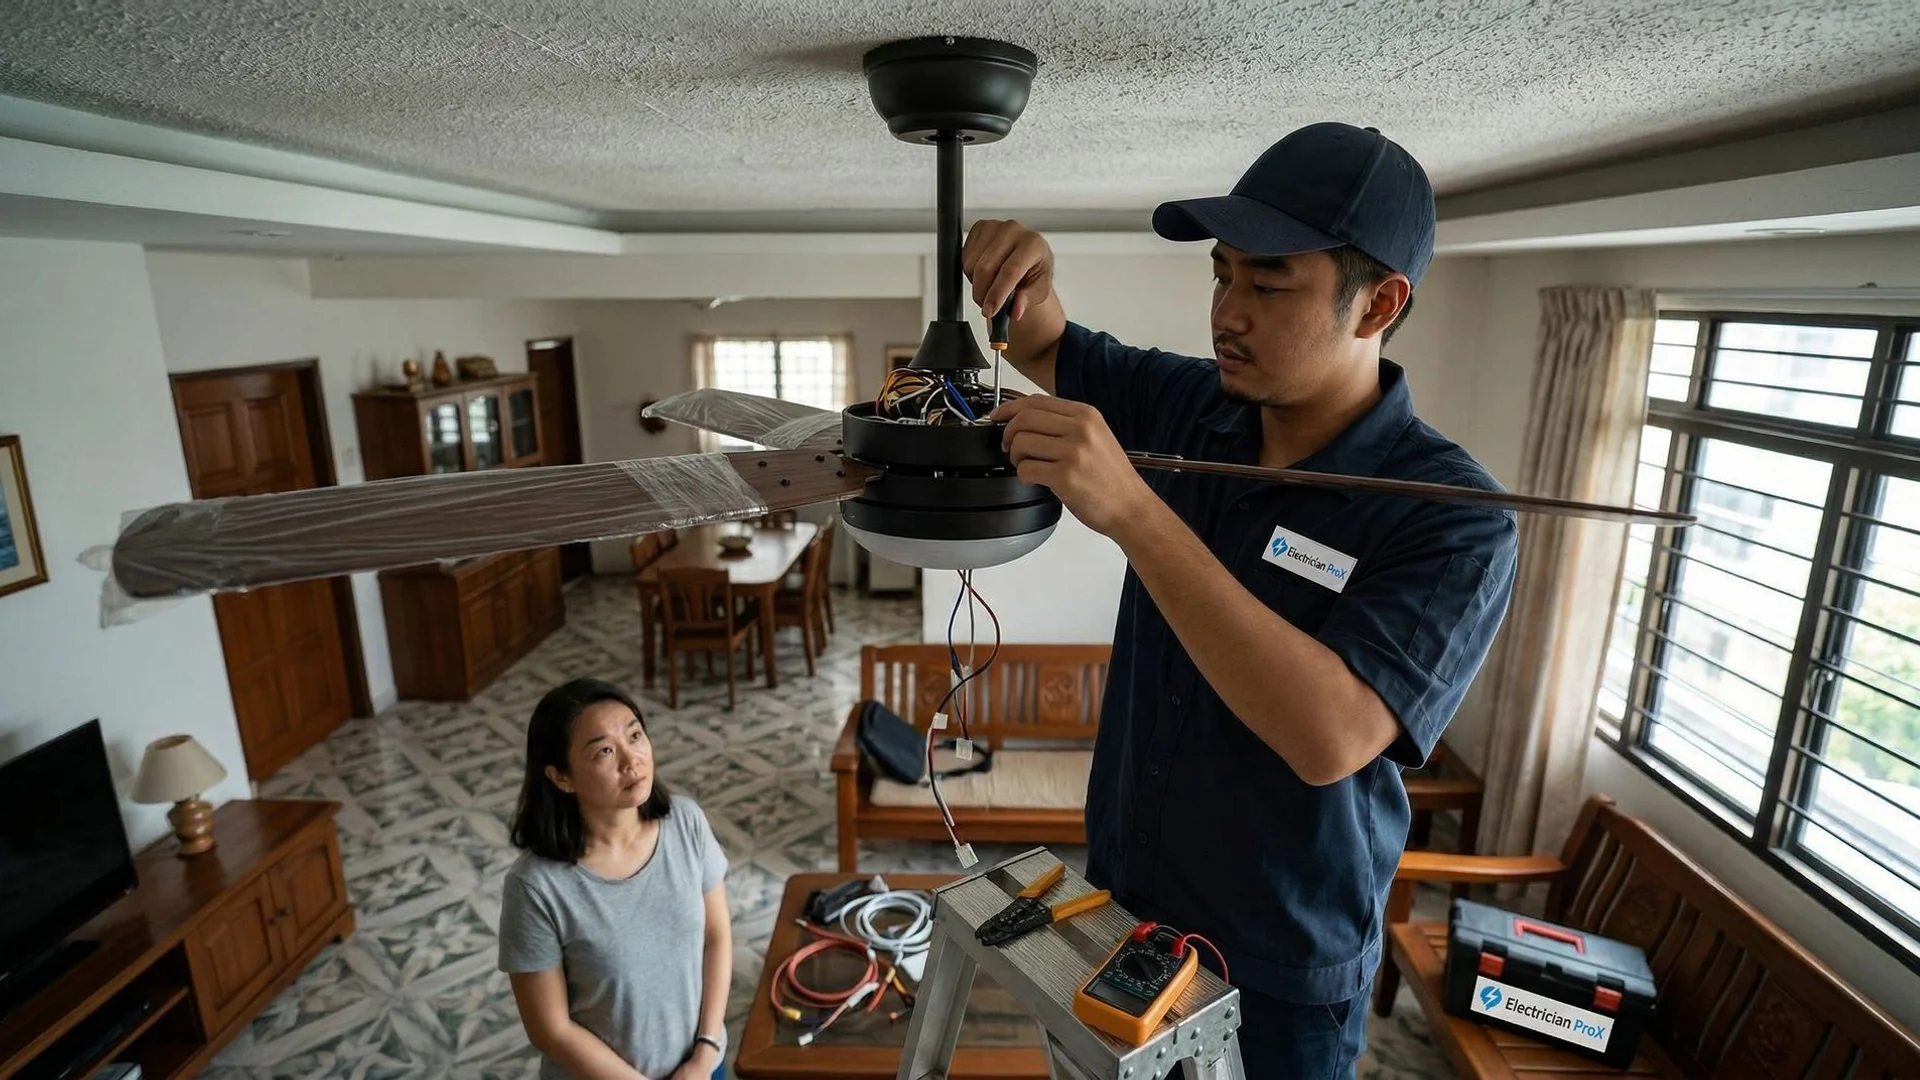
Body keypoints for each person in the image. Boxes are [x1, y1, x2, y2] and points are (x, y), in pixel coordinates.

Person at [960, 122, 1520, 1077]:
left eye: (1268, 285)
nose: (1228, 311)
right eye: (1221, 275)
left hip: (1278, 974)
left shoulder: (1452, 517)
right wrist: (1027, 285)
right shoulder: (1196, 408)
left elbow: (1329, 735)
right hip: (1128, 917)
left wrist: (1137, 514)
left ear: (1379, 302)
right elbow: (1050, 345)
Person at [498, 677, 732, 1080]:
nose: (631, 759)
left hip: (702, 1068)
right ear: (561, 777)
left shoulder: (686, 822)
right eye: (605, 750)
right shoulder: (535, 886)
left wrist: (704, 1054)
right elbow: (550, 1029)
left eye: (635, 735)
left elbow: (717, 936)